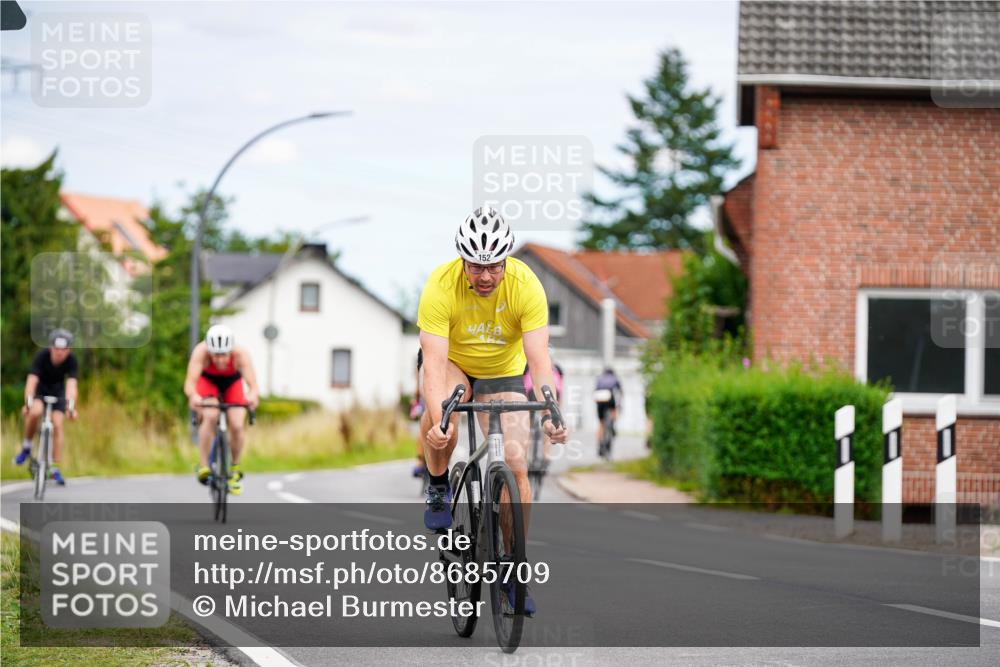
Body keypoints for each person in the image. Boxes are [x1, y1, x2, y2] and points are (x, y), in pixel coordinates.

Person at [417, 205, 568, 617]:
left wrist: (550, 410)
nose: (485, 276)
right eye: (476, 266)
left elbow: (539, 358)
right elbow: (432, 365)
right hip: (455, 364)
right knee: (440, 414)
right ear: (462, 260)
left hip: (503, 371)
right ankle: (437, 485)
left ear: (506, 260)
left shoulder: (526, 285)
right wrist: (439, 420)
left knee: (516, 462)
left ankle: (512, 569)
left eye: (494, 266)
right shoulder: (440, 286)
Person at [183, 324, 260, 495]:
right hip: (208, 382)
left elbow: (253, 386)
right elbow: (190, 383)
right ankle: (204, 466)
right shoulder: (200, 352)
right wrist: (194, 397)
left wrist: (253, 396)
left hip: (232, 383)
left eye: (224, 355)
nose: (219, 360)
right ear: (209, 351)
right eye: (215, 355)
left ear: (230, 351)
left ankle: (235, 468)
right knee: (210, 414)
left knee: (237, 423)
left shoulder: (241, 354)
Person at [15, 329, 79, 485]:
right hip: (40, 391)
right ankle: (27, 446)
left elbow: (71, 385)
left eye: (63, 349)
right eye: (56, 348)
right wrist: (28, 403)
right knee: (35, 412)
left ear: (68, 350)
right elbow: (31, 382)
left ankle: (54, 467)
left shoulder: (72, 361)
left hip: (58, 392)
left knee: (57, 424)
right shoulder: (41, 357)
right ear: (51, 348)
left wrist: (71, 407)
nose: (59, 353)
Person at [594, 366, 622, 448]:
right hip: (609, 398)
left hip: (600, 400)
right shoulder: (615, 378)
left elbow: (595, 390)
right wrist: (619, 404)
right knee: (614, 410)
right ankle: (613, 425)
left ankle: (599, 443)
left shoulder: (600, 378)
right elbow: (620, 391)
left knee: (601, 423)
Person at [410, 348, 427, 478]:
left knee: (422, 427)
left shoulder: (423, 355)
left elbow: (417, 388)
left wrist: (415, 399)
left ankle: (420, 461)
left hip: (424, 399)